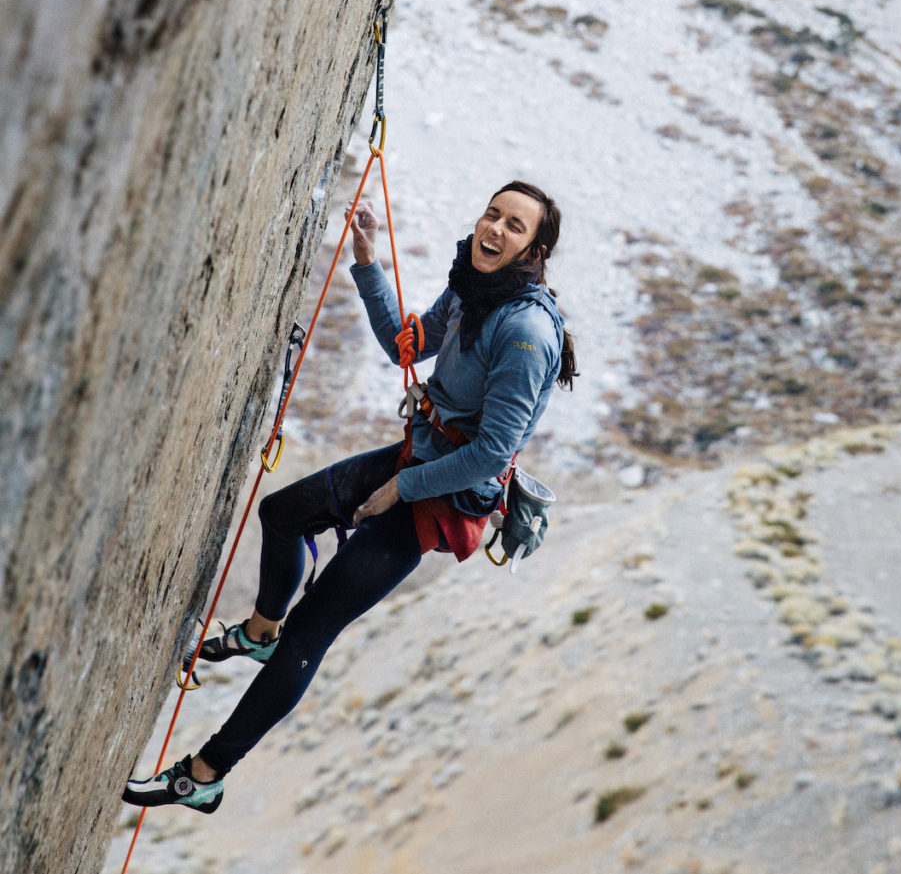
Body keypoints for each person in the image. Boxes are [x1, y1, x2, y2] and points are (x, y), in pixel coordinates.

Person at [122, 180, 577, 813]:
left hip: (440, 501)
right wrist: (367, 261)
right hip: (419, 459)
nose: (493, 229)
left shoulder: (526, 332)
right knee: (281, 514)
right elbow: (407, 346)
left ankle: (205, 774)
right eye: (491, 214)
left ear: (536, 250)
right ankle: (258, 631)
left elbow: (493, 454)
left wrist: (401, 489)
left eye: (514, 226)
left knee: (311, 631)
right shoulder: (476, 290)